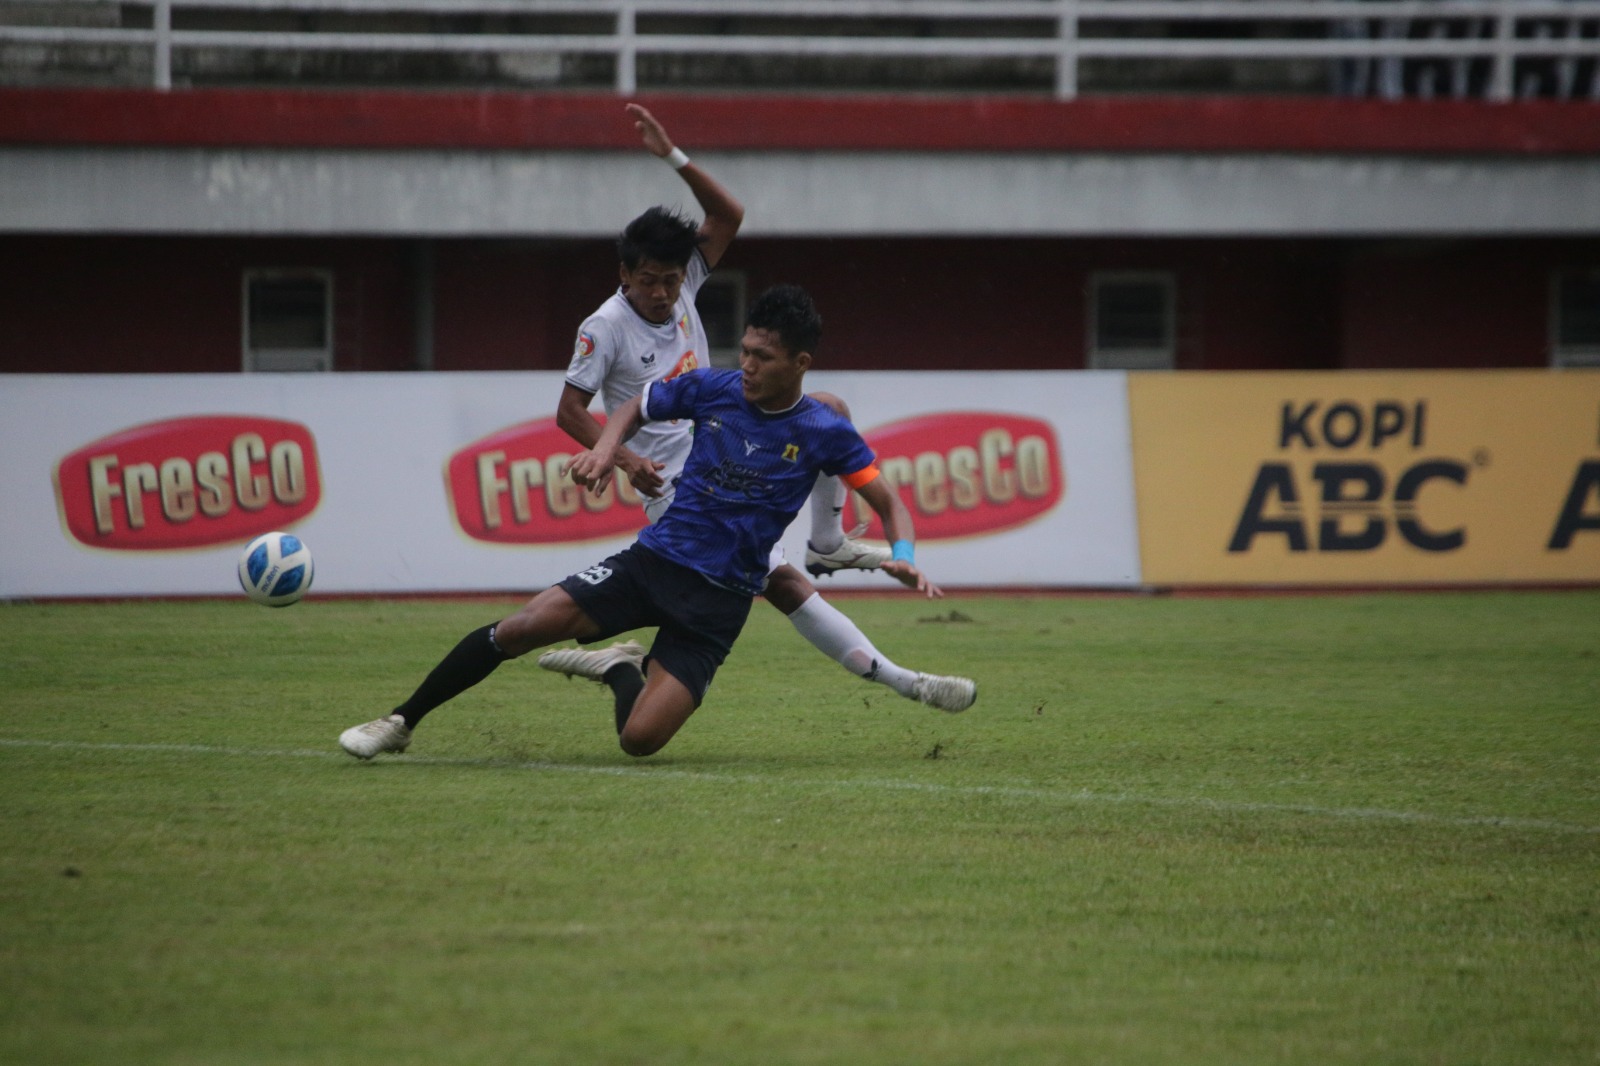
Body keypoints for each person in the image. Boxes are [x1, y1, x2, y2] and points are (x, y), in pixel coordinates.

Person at [339, 285, 973, 760]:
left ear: (800, 362)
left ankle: (619, 667)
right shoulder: (713, 388)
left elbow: (888, 500)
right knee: (523, 627)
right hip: (652, 565)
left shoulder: (824, 431)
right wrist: (605, 448)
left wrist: (904, 550)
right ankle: (399, 722)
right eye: (745, 351)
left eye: (764, 357)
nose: (748, 365)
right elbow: (638, 404)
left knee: (639, 742)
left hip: (719, 607)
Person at [541, 103, 975, 715]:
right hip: (679, 486)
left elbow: (728, 214)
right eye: (652, 282)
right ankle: (903, 680)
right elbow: (570, 411)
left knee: (829, 407)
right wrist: (626, 458)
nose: (664, 293)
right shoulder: (606, 326)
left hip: (725, 447)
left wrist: (672, 156)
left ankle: (826, 541)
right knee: (784, 584)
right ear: (627, 276)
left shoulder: (680, 283)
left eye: (670, 281)